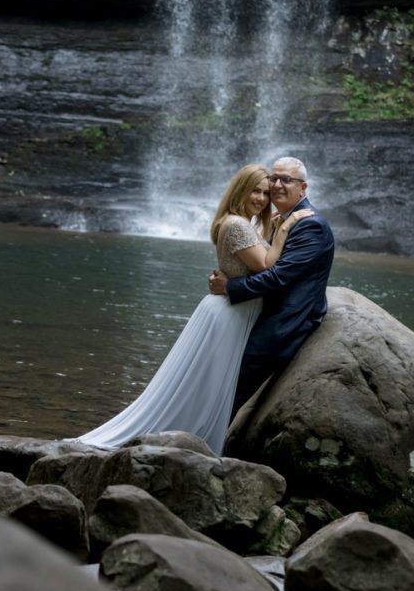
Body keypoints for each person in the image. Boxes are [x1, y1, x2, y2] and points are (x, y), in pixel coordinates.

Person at [73, 163, 311, 454]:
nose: (261, 199)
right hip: (229, 314)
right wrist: (286, 225)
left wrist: (273, 226)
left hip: (231, 310)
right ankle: (182, 440)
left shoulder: (240, 223)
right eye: (254, 191)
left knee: (203, 382)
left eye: (264, 192)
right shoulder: (237, 224)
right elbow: (264, 265)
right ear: (240, 190)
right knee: (203, 383)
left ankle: (187, 439)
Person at [209, 155, 335, 416]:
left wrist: (231, 287)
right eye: (274, 178)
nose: (277, 185)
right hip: (265, 312)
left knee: (236, 383)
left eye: (286, 180)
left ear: (303, 187)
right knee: (224, 380)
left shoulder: (310, 225)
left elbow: (278, 276)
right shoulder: (280, 219)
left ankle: (207, 444)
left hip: (287, 320)